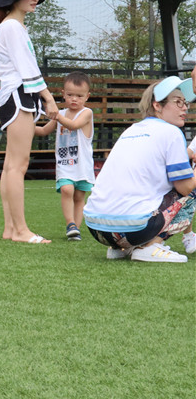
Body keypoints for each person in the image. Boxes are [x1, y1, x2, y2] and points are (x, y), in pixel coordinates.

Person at [83, 77, 196, 263]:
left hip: (97, 230)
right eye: (177, 102)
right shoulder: (172, 133)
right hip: (133, 229)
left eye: (185, 103)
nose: (184, 108)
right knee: (192, 190)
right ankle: (148, 246)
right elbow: (185, 188)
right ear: (157, 105)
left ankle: (121, 249)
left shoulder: (131, 130)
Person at [0, 0, 59, 244]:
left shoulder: (12, 26)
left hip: (14, 96)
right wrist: (49, 98)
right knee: (17, 166)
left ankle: (12, 229)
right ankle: (20, 230)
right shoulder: (11, 26)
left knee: (11, 166)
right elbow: (27, 68)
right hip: (18, 96)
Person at [34, 71, 95, 241]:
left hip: (82, 165)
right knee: (67, 189)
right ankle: (71, 224)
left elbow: (74, 125)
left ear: (87, 96)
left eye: (79, 96)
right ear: (63, 94)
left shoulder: (86, 113)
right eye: (70, 95)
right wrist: (25, 127)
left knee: (79, 197)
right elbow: (44, 130)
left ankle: (75, 230)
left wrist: (56, 115)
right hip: (65, 164)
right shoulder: (60, 114)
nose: (74, 99)